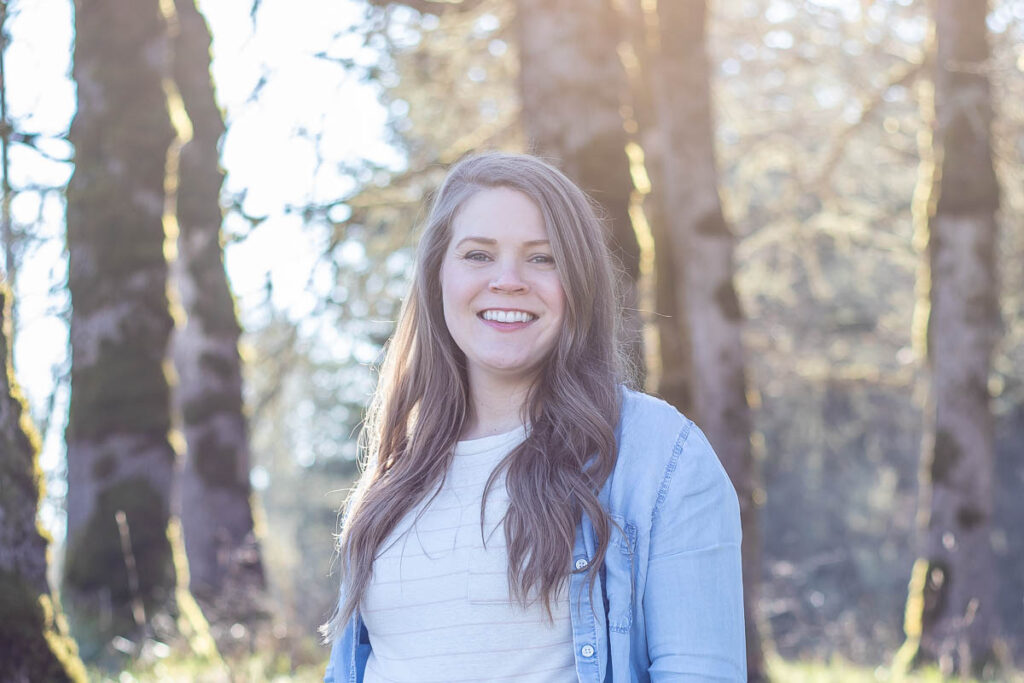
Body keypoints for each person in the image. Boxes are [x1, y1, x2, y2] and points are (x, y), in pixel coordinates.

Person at [322, 152, 746, 682]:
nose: (508, 280)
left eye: (542, 258)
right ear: (437, 277)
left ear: (580, 283)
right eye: (478, 255)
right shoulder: (396, 471)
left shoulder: (659, 455)